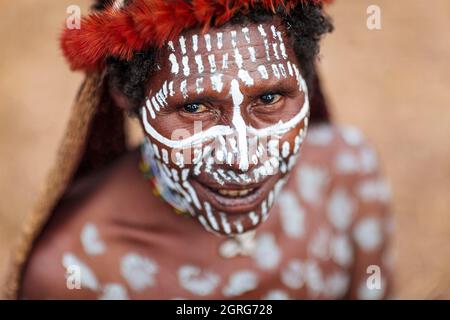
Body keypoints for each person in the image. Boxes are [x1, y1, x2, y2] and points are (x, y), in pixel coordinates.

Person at [5, 0, 393, 299]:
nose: (244, 160)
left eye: (270, 97)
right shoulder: (75, 269)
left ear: (305, 80)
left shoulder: (345, 174)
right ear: (126, 95)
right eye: (193, 107)